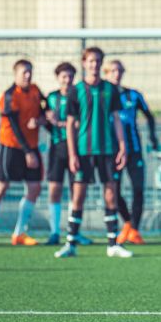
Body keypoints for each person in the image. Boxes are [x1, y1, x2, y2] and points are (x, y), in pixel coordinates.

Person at [55, 46, 131, 258]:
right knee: (78, 196)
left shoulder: (110, 89)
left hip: (107, 150)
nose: (94, 64)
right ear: (84, 63)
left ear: (101, 63)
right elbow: (70, 124)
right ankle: (70, 243)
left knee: (111, 195)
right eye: (90, 61)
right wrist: (72, 154)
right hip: (83, 151)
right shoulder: (76, 90)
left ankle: (113, 244)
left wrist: (122, 146)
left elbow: (117, 119)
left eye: (97, 61)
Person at [0, 59, 45, 248]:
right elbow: (14, 126)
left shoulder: (36, 91)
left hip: (31, 146)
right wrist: (28, 152)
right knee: (0, 188)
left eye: (30, 72)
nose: (28, 75)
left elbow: (45, 110)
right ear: (15, 75)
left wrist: (41, 120)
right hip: (12, 147)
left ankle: (19, 233)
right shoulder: (9, 95)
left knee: (35, 188)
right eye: (24, 72)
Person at [105, 58, 159, 245]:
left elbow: (149, 116)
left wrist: (153, 138)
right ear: (106, 73)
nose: (117, 74)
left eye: (119, 70)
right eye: (113, 71)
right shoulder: (103, 95)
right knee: (114, 190)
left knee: (138, 189)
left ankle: (134, 229)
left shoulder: (133, 95)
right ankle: (127, 223)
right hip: (111, 151)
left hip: (134, 150)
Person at [42, 62, 91, 246]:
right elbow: (46, 120)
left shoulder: (78, 95)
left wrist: (59, 123)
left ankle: (74, 233)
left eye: (70, 76)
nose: (67, 80)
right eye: (64, 76)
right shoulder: (51, 98)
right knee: (54, 190)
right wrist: (42, 121)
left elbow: (80, 123)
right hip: (56, 148)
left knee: (76, 192)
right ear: (58, 78)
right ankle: (54, 232)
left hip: (76, 149)